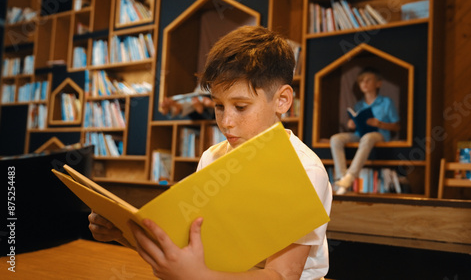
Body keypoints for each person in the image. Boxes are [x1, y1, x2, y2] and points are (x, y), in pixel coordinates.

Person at [88, 25, 333, 279]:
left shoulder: (304, 170)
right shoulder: (213, 157)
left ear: (282, 100)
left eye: (240, 106)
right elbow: (190, 248)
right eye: (218, 106)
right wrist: (124, 233)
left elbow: (283, 275)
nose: (226, 121)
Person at [330, 67, 400, 195]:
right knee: (336, 139)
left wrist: (380, 124)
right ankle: (341, 178)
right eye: (362, 81)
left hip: (379, 134)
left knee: (368, 137)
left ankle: (350, 177)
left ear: (378, 83)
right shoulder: (359, 105)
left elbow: (396, 126)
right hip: (359, 134)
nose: (364, 83)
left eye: (368, 80)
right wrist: (352, 124)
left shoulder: (386, 102)